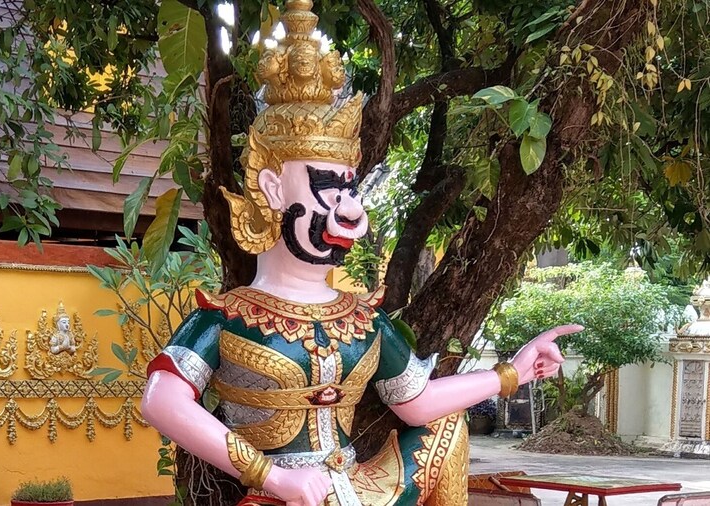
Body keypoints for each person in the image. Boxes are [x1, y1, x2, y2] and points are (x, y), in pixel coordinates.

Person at [140, 2, 581, 505]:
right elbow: (161, 401)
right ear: (273, 188)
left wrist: (512, 373)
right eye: (328, 189)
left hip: (361, 488)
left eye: (350, 191)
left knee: (446, 426)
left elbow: (419, 404)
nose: (350, 213)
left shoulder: (361, 319)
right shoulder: (229, 317)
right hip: (280, 496)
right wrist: (273, 476)